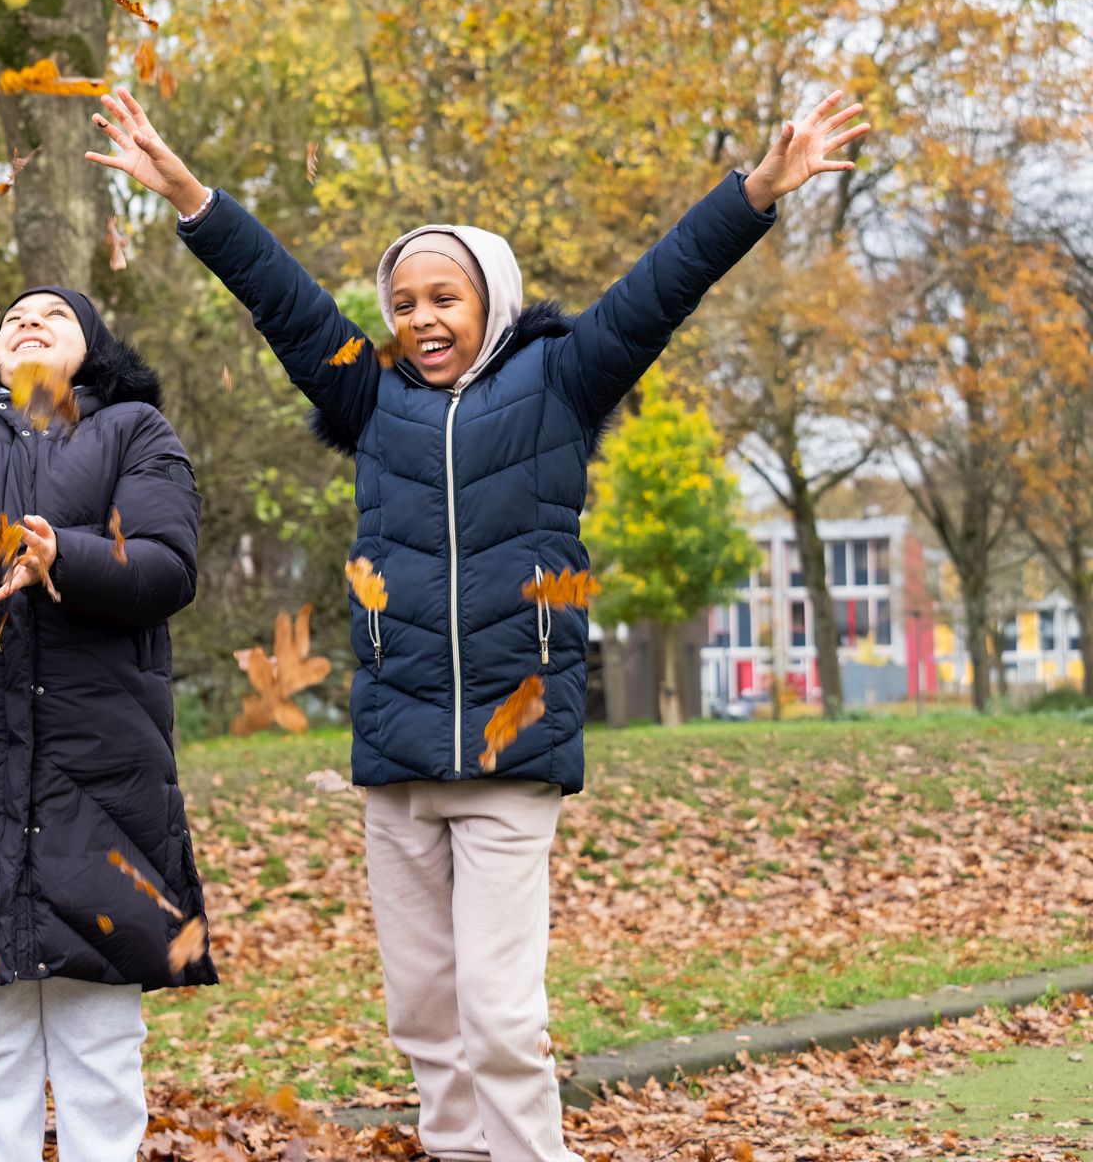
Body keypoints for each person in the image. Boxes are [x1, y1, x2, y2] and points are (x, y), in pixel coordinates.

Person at [87, 88, 867, 1162]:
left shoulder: (558, 382)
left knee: (499, 1022)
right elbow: (279, 296)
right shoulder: (367, 398)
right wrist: (186, 195)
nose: (421, 320)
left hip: (509, 749)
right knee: (423, 1024)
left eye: (442, 298)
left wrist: (756, 192)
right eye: (403, 303)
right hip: (396, 756)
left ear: (488, 300)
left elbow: (658, 288)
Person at [0, 286, 214, 1162]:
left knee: (99, 1037)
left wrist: (70, 555)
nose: (26, 323)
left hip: (102, 772)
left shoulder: (135, 431)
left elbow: (167, 568)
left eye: (51, 316)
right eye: (14, 315)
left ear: (88, 347)